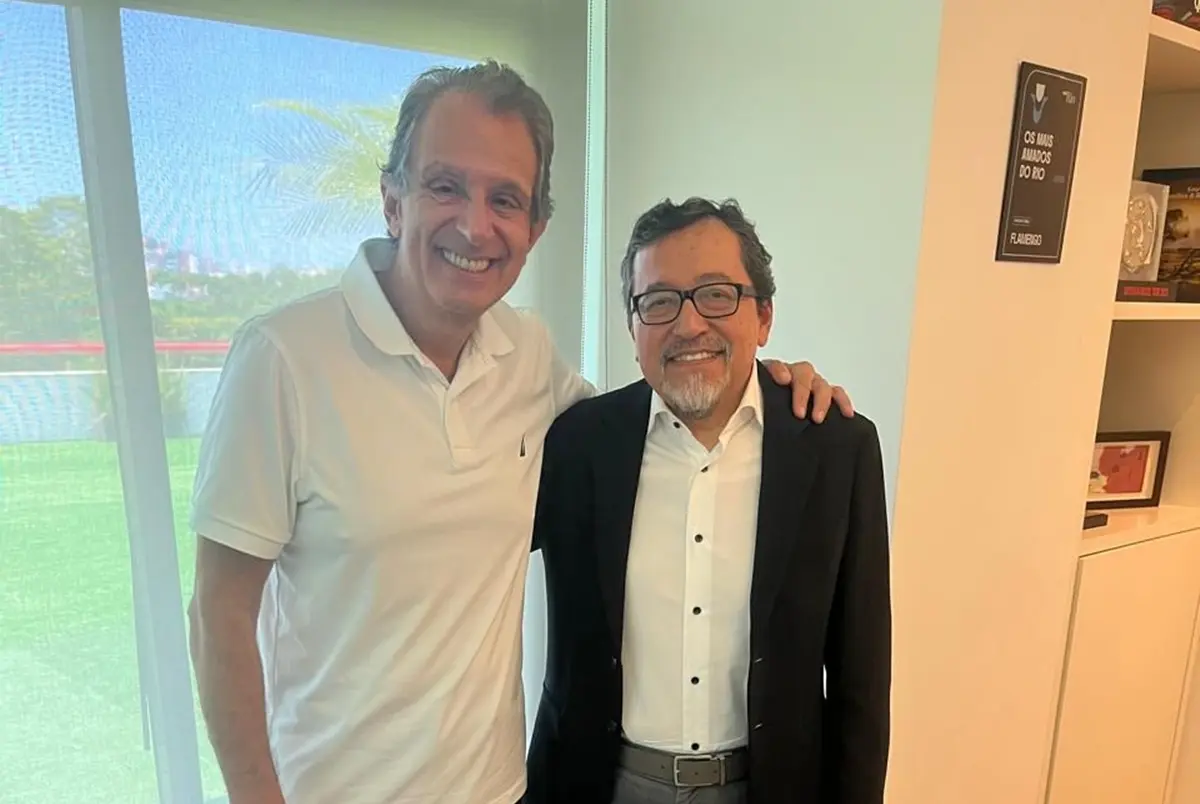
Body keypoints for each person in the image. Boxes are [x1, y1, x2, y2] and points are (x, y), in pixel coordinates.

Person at [186, 61, 855, 804]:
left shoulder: (528, 357)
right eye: (445, 185)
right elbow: (219, 613)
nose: (475, 224)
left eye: (505, 198)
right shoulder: (283, 359)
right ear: (392, 199)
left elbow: (658, 419)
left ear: (534, 229)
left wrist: (766, 377)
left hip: (500, 792)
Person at [525, 197, 892, 804]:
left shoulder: (836, 448)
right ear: (633, 325)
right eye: (659, 301)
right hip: (599, 785)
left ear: (764, 315)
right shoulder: (575, 444)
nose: (689, 324)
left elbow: (862, 677)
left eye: (717, 294)